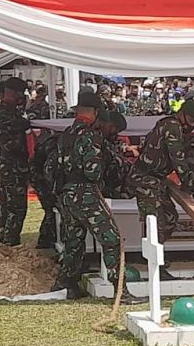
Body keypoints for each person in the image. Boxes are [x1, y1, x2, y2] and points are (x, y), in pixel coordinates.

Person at [55, 89, 141, 303]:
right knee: (112, 239)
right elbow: (92, 170)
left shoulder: (66, 134)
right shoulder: (91, 135)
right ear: (94, 112)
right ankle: (120, 291)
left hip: (67, 193)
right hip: (86, 193)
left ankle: (67, 284)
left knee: (74, 241)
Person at [129, 99, 194, 279]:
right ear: (182, 114)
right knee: (156, 222)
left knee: (170, 218)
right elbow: (178, 159)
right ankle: (155, 264)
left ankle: (156, 255)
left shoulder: (169, 124)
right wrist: (189, 184)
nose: (192, 125)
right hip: (145, 179)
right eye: (192, 120)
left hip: (157, 179)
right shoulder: (172, 127)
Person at [0, 77, 31, 248]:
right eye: (19, 93)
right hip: (12, 165)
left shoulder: (2, 112)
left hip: (6, 164)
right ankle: (10, 242)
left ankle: (4, 238)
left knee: (6, 204)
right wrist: (25, 123)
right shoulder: (5, 114)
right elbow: (8, 143)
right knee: (16, 206)